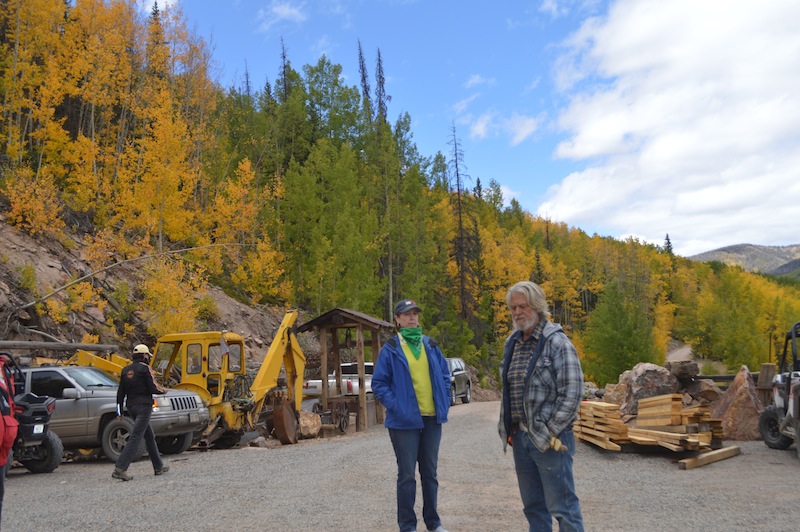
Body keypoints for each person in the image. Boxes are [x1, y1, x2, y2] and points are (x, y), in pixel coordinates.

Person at [498, 281, 585, 531]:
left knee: (563, 508)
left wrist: (549, 431)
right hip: (520, 439)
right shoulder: (512, 343)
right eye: (513, 308)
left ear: (537, 307)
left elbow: (572, 393)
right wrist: (509, 427)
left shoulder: (557, 343)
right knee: (533, 507)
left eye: (523, 306)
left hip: (551, 440)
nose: (517, 313)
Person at [372, 299, 451, 532]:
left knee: (430, 474)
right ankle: (407, 526)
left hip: (431, 419)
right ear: (397, 319)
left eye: (415, 313)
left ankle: (434, 523)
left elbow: (445, 377)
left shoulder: (431, 345)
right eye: (406, 314)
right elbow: (379, 383)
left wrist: (444, 399)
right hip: (403, 422)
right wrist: (397, 406)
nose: (412, 317)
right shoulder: (392, 348)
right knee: (407, 476)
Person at [112, 344, 169, 481]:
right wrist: (163, 390)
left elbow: (120, 393)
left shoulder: (126, 370)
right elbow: (153, 387)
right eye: (147, 356)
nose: (148, 358)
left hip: (131, 407)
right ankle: (120, 468)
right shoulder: (145, 368)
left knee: (149, 436)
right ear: (144, 356)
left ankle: (158, 466)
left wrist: (119, 411)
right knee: (136, 436)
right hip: (144, 406)